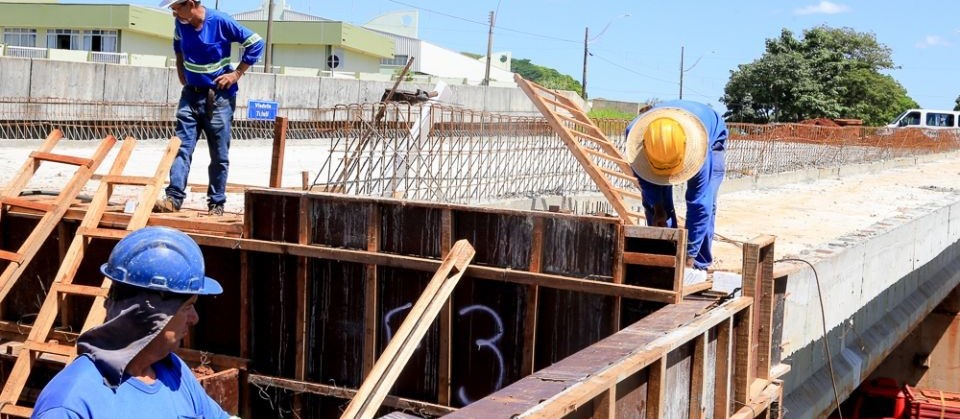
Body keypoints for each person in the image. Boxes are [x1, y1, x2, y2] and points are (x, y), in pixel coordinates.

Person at [32, 226, 229, 418]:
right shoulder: (71, 403)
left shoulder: (174, 371)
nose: (195, 318)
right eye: (187, 306)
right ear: (152, 315)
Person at [154, 0, 264, 216]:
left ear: (192, 3)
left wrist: (237, 73)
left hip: (218, 99)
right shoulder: (181, 24)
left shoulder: (220, 22)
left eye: (177, 8)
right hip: (190, 96)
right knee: (181, 147)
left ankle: (216, 203)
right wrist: (180, 68)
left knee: (219, 153)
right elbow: (178, 46)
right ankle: (173, 198)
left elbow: (256, 42)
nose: (175, 14)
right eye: (172, 10)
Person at [624, 100, 727, 283]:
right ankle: (666, 254)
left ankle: (697, 264)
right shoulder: (636, 134)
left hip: (712, 138)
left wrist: (688, 260)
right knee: (654, 204)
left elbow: (699, 205)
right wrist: (657, 208)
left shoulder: (701, 148)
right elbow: (645, 182)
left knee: (706, 203)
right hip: (662, 148)